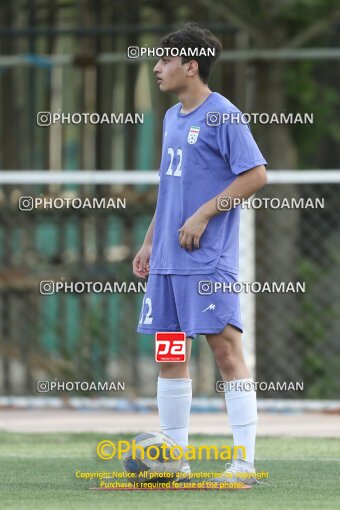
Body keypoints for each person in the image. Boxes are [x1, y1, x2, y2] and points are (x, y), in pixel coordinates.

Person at [132, 22, 268, 485]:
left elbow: (255, 176)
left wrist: (205, 214)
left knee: (226, 351)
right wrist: (151, 240)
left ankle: (244, 465)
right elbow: (170, 186)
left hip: (205, 260)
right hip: (166, 261)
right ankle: (176, 460)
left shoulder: (223, 114)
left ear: (191, 67)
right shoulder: (172, 116)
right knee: (170, 353)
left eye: (166, 60)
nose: (157, 67)